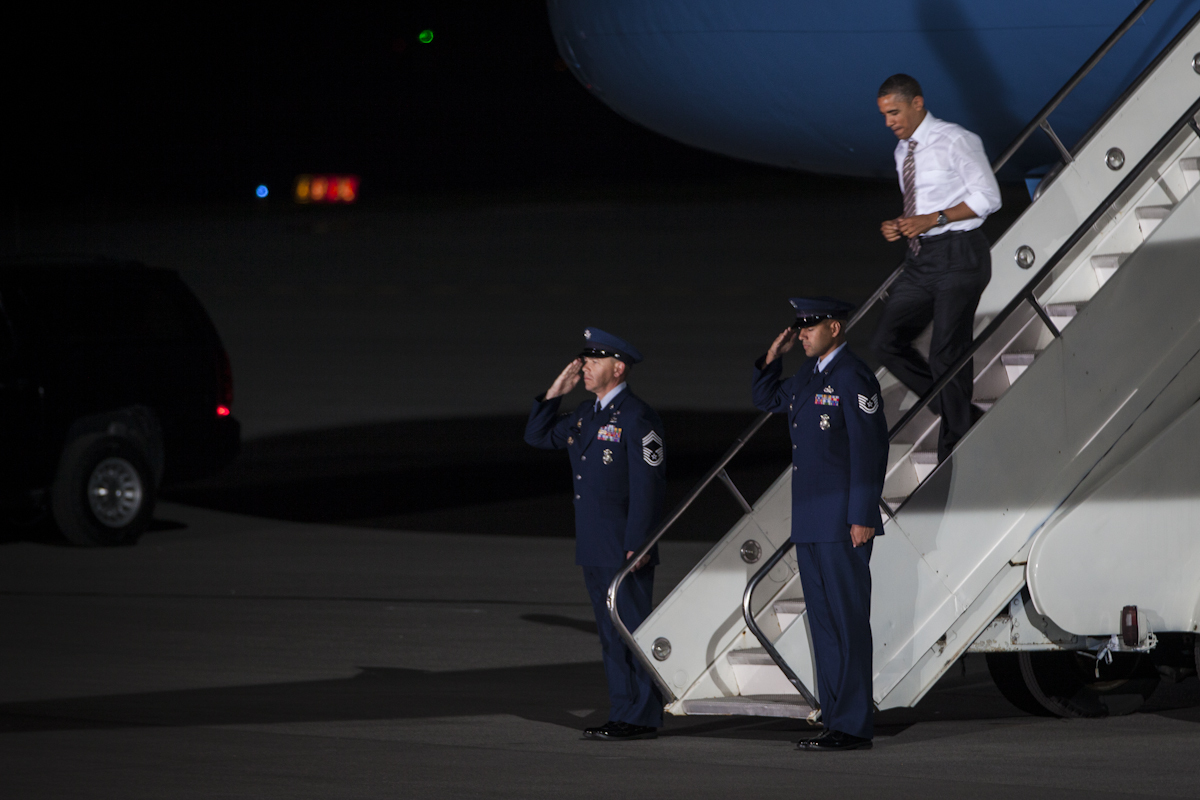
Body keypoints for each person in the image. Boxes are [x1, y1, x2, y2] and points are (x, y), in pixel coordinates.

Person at [752, 297, 888, 752]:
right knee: (825, 624)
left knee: (848, 621)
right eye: (799, 328)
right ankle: (835, 718)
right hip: (810, 520)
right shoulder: (809, 375)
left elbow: (871, 448)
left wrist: (863, 515)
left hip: (842, 520)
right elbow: (767, 398)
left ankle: (853, 724)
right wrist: (772, 358)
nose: (802, 334)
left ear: (834, 327)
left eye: (809, 327)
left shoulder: (853, 376)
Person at [524, 327, 666, 741]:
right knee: (609, 634)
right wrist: (556, 391)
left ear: (618, 368)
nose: (585, 367)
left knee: (633, 632)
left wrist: (640, 543)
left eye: (594, 361)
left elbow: (649, 486)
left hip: (626, 546)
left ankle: (642, 715)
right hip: (593, 543)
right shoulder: (587, 414)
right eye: (584, 360)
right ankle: (624, 712)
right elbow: (536, 436)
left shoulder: (639, 418)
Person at [872, 73, 1002, 462]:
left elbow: (988, 198)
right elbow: (921, 204)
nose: (889, 122)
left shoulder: (955, 140)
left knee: (947, 353)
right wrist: (901, 224)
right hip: (921, 258)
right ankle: (958, 412)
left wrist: (934, 219)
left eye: (894, 112)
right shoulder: (903, 152)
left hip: (960, 255)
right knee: (885, 343)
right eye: (883, 115)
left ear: (917, 103)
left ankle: (954, 442)